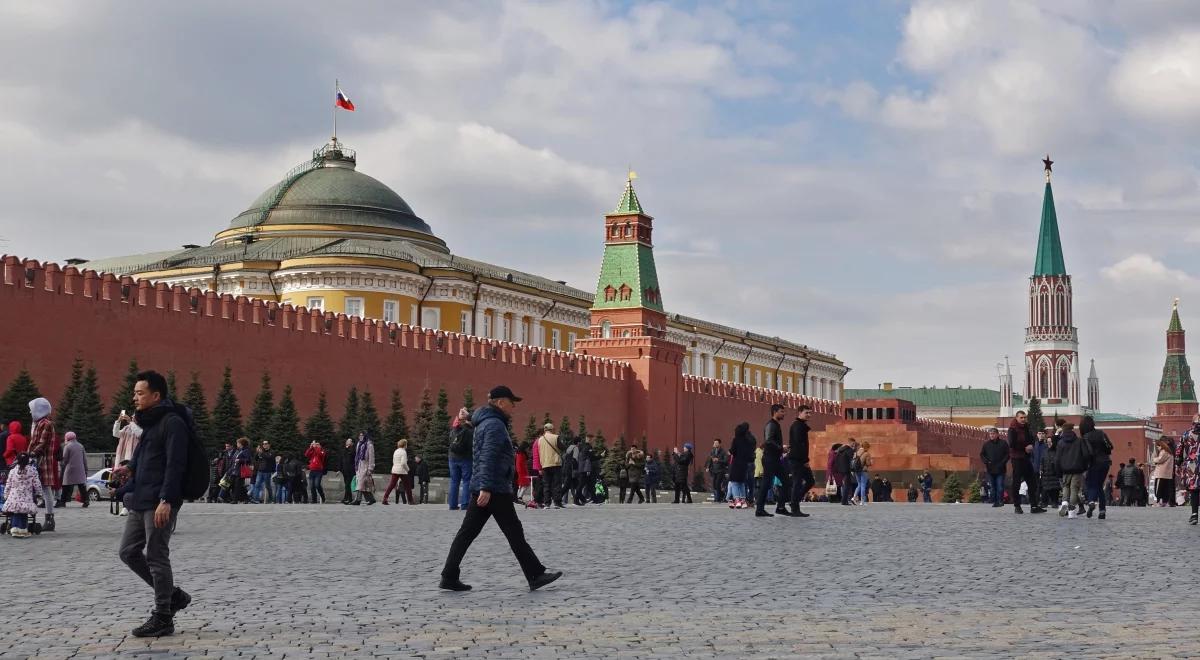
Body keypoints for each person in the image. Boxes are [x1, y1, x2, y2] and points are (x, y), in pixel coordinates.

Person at [439, 385, 561, 592]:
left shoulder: (484, 422)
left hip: (485, 486)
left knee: (467, 533)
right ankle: (535, 574)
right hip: (493, 488)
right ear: (500, 402)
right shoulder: (494, 424)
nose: (513, 406)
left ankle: (449, 575)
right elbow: (488, 456)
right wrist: (486, 487)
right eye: (511, 402)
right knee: (514, 532)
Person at [116, 370, 193, 638]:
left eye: (140, 393)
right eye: (135, 392)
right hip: (141, 497)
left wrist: (167, 500)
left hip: (159, 500)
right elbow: (144, 455)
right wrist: (129, 469)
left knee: (157, 556)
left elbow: (175, 465)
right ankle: (172, 596)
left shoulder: (172, 423)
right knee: (128, 551)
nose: (135, 397)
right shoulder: (150, 422)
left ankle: (163, 616)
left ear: (156, 395)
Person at [27, 398, 60, 532]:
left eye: (32, 409)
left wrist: (31, 454)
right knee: (43, 489)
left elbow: (42, 443)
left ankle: (49, 518)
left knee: (46, 489)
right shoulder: (39, 423)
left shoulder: (45, 423)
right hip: (38, 459)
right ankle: (46, 518)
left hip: (42, 460)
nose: (30, 412)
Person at [1008, 410, 1044, 514]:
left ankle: (1034, 506)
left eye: (1024, 417)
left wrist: (1031, 445)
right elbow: (1012, 444)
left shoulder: (1027, 427)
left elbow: (1032, 439)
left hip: (1026, 458)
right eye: (1021, 418)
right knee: (1016, 482)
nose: (1023, 419)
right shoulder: (1012, 429)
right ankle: (1017, 506)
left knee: (1032, 482)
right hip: (1016, 458)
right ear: (1016, 418)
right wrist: (1025, 448)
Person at [756, 404, 788, 517]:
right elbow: (768, 440)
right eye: (782, 411)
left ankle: (780, 507)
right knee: (766, 484)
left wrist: (781, 448)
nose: (784, 413)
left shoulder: (775, 425)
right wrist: (781, 448)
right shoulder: (771, 425)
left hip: (774, 459)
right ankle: (760, 509)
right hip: (770, 459)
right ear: (775, 412)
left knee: (786, 481)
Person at [1056, 421, 1091, 519]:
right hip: (1077, 469)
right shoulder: (1079, 441)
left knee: (1066, 487)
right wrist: (1084, 467)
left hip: (1065, 470)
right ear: (1072, 429)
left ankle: (1064, 503)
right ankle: (1071, 512)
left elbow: (1057, 459)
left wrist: (1058, 471)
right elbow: (1086, 455)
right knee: (1074, 489)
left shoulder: (1060, 442)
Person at [3, 453, 42, 537]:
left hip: (13, 498)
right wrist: (39, 493)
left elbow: (8, 484)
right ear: (28, 460)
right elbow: (37, 484)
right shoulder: (32, 470)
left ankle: (14, 529)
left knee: (16, 512)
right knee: (24, 513)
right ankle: (23, 529)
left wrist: (6, 495)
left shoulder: (12, 471)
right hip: (26, 498)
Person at [1080, 415, 1112, 519]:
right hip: (1105, 463)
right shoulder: (1101, 433)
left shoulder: (1085, 437)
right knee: (1099, 485)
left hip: (1093, 463)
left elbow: (1085, 454)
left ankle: (1091, 501)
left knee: (1091, 485)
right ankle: (1102, 510)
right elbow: (1110, 447)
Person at [787, 405, 814, 516]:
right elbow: (799, 445)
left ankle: (794, 501)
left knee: (810, 481)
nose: (809, 415)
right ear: (799, 412)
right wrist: (805, 460)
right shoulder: (798, 426)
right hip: (797, 459)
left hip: (800, 459)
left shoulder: (801, 425)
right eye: (806, 412)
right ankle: (795, 508)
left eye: (810, 413)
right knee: (797, 483)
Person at [448, 408, 474, 511]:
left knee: (454, 481)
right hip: (466, 459)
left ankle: (452, 505)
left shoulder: (455, 430)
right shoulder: (470, 431)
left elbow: (450, 442)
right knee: (466, 481)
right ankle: (465, 504)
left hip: (452, 458)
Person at [1175, 418, 1200, 524]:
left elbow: (1179, 451)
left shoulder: (1186, 434)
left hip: (1192, 465)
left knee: (1194, 490)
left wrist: (1177, 464)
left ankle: (1194, 515)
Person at [57, 431, 89, 508]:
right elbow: (84, 459)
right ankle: (86, 500)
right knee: (82, 486)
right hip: (80, 469)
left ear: (67, 438)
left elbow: (65, 459)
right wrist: (85, 469)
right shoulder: (81, 446)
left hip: (70, 469)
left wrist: (61, 465)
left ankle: (63, 501)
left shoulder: (67, 446)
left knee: (66, 486)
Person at [728, 422, 755, 510]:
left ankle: (737, 500)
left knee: (735, 482)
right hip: (745, 463)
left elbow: (733, 451)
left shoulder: (736, 439)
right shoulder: (748, 440)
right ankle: (743, 501)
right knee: (742, 482)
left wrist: (730, 451)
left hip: (736, 462)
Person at [535, 423, 563, 509]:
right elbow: (562, 447)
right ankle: (556, 503)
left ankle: (547, 503)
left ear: (544, 430)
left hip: (544, 464)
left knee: (546, 484)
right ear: (552, 429)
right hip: (555, 463)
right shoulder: (555, 437)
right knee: (556, 484)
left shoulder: (539, 440)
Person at [980, 427, 1008, 508]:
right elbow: (982, 454)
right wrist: (986, 462)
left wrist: (1003, 462)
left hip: (1000, 469)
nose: (991, 435)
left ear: (997, 434)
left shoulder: (1003, 443)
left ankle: (1000, 501)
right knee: (993, 487)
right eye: (990, 434)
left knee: (1000, 486)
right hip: (990, 469)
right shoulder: (986, 444)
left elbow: (1007, 454)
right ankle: (996, 501)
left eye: (993, 434)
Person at [383, 439, 413, 505]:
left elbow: (394, 461)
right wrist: (408, 469)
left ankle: (385, 498)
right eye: (406, 444)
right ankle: (410, 501)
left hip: (395, 470)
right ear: (404, 445)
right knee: (408, 486)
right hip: (402, 471)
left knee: (391, 485)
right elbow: (403, 463)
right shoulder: (403, 452)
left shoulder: (396, 451)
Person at [351, 432, 376, 505]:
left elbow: (371, 457)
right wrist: (356, 465)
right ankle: (371, 499)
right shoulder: (359, 444)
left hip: (366, 465)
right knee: (362, 484)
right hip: (359, 465)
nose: (360, 437)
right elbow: (357, 456)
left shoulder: (369, 445)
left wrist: (370, 468)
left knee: (360, 483)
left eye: (362, 435)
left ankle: (358, 500)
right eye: (359, 435)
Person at [1040, 432, 1062, 508]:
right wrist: (1041, 469)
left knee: (1055, 489)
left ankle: (1054, 502)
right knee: (1045, 489)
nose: (1049, 443)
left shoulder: (1057, 451)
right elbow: (1042, 461)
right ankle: (1044, 502)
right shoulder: (1045, 451)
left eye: (1050, 442)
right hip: (1046, 474)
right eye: (1048, 442)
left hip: (1054, 474)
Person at [1153, 438, 1175, 507]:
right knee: (1165, 488)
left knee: (1158, 488)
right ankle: (1164, 502)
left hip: (1161, 473)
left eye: (1158, 446)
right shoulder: (1170, 452)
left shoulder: (1164, 452)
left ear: (1161, 446)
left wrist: (1154, 459)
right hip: (1167, 474)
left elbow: (1159, 460)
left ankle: (1158, 502)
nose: (1158, 448)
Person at [705, 439, 728, 504]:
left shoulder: (723, 451)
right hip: (714, 470)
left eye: (716, 443)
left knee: (718, 484)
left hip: (720, 470)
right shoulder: (713, 451)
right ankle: (722, 495)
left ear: (719, 444)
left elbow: (726, 461)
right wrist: (708, 467)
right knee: (714, 485)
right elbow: (710, 459)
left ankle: (718, 499)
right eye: (714, 443)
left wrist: (718, 460)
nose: (715, 444)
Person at [835, 441, 856, 506]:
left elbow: (837, 460)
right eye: (853, 445)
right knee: (847, 485)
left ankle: (844, 500)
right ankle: (844, 501)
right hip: (847, 469)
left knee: (845, 485)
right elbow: (852, 458)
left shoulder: (840, 450)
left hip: (841, 469)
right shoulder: (849, 450)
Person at [852, 441, 872, 505]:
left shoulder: (856, 452)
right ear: (867, 447)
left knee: (859, 484)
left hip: (856, 470)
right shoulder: (867, 453)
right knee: (863, 485)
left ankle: (854, 497)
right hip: (863, 470)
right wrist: (871, 463)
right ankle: (862, 501)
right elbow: (868, 463)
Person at [515, 441, 532, 505]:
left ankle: (519, 497)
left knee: (521, 485)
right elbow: (519, 464)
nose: (527, 449)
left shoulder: (519, 453)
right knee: (526, 485)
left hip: (522, 471)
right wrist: (520, 471)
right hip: (522, 471)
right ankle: (520, 496)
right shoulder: (520, 454)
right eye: (527, 447)